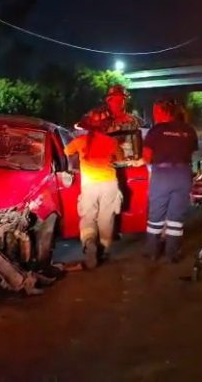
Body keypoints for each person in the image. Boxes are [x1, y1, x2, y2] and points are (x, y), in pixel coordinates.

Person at [65, 109, 125, 269]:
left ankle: (89, 242)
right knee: (106, 218)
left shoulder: (80, 141)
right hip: (109, 184)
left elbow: (67, 151)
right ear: (105, 126)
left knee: (88, 217)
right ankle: (103, 250)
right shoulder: (111, 142)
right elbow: (120, 158)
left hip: (89, 185)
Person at [140, 98, 199, 262]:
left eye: (156, 111)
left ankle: (152, 251)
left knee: (156, 214)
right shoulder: (189, 130)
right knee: (176, 216)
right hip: (183, 175)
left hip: (163, 174)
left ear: (164, 112)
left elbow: (146, 157)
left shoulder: (156, 130)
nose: (154, 115)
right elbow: (190, 152)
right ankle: (172, 253)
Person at [83, 84, 143, 160]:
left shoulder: (132, 120)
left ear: (125, 101)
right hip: (105, 162)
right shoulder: (99, 117)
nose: (118, 103)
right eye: (114, 100)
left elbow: (136, 143)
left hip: (127, 161)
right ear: (108, 101)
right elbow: (91, 137)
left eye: (121, 99)